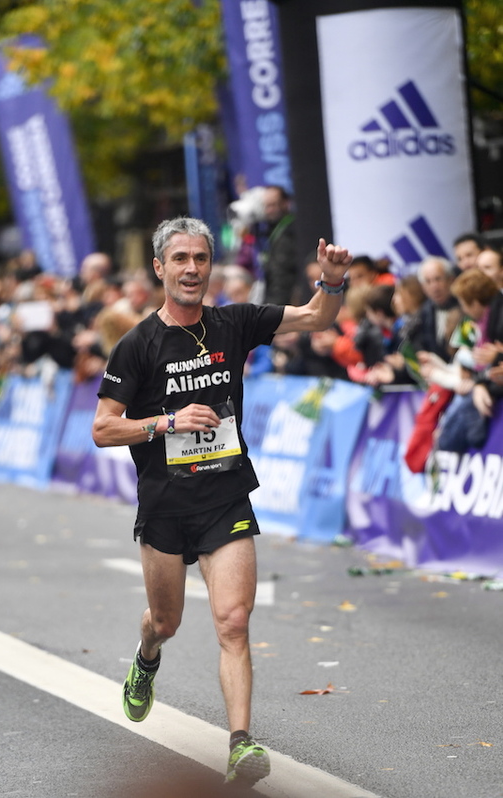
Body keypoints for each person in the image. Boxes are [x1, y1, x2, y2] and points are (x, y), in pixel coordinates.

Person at [92, 216, 351, 787]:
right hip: (164, 504)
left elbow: (315, 317)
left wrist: (331, 282)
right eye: (180, 259)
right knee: (167, 620)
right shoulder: (136, 345)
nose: (191, 269)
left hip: (225, 496)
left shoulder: (234, 323)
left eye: (201, 259)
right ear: (159, 268)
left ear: (210, 266)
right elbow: (103, 429)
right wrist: (167, 421)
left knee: (233, 621)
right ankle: (146, 656)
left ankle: (240, 743)